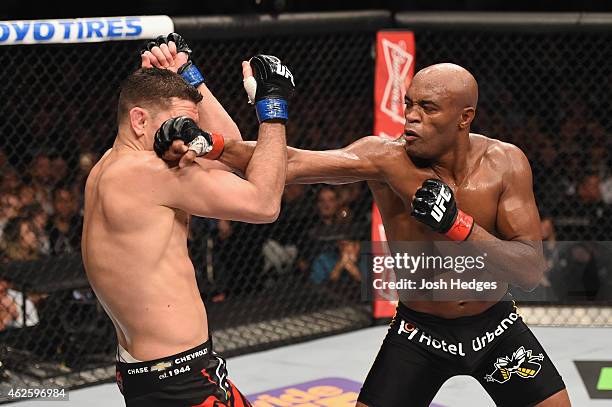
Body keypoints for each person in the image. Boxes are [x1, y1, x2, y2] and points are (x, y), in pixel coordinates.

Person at [164, 63, 570, 406]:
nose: (411, 117)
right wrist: (211, 144)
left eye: (428, 109)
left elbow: (530, 271)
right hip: (419, 332)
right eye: (409, 104)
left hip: (494, 327)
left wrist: (457, 226)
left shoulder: (505, 164)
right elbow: (292, 162)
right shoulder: (386, 158)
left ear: (465, 117)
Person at [82, 33, 294, 406]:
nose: (190, 138)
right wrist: (272, 106)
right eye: (179, 125)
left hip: (155, 372)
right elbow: (264, 203)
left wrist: (186, 74)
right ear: (139, 121)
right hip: (180, 381)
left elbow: (225, 147)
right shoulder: (148, 173)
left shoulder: (108, 167)